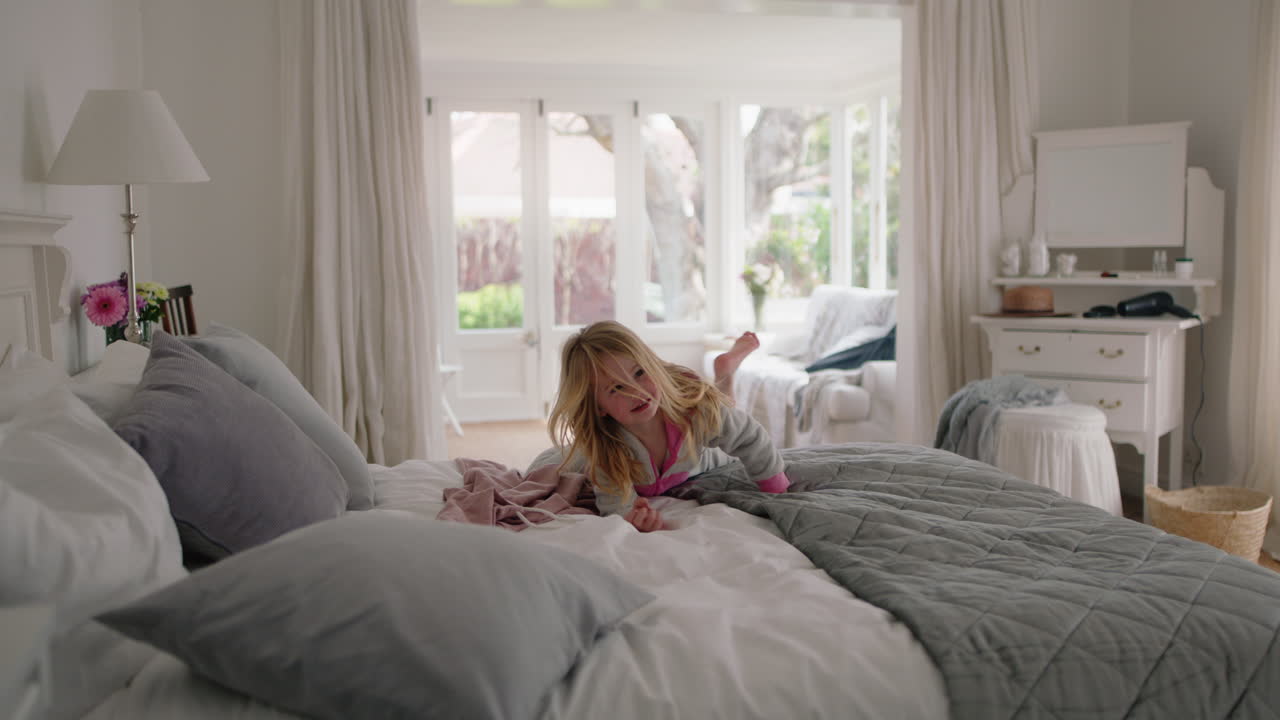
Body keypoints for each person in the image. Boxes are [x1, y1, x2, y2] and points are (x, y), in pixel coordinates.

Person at [539, 321, 788, 533]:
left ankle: (726, 371)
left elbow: (749, 438)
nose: (635, 393)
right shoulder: (607, 450)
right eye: (616, 388)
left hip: (695, 454)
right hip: (659, 460)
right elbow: (617, 507)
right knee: (565, 462)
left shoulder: (694, 413)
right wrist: (635, 518)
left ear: (652, 367)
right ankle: (724, 375)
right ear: (598, 407)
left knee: (721, 418)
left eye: (638, 374)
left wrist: (777, 492)